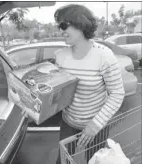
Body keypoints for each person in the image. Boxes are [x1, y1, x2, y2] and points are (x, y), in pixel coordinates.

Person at [54, 4, 125, 164]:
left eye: (64, 25)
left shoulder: (104, 55)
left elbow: (117, 93)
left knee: (94, 161)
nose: (60, 31)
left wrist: (95, 125)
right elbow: (59, 92)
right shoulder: (60, 56)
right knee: (62, 161)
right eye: (59, 26)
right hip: (68, 123)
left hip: (97, 126)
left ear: (80, 24)